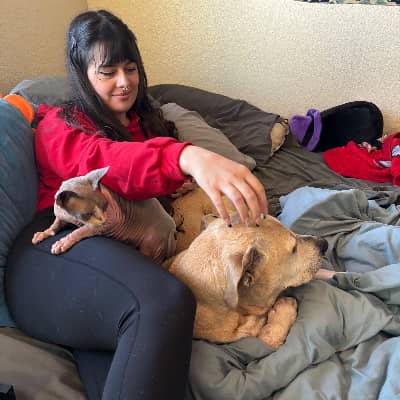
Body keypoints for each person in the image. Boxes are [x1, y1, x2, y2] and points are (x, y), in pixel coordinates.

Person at [6, 9, 268, 400]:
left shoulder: (145, 123)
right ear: (82, 74)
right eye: (108, 72)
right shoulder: (59, 125)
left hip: (114, 264)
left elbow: (148, 188)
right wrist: (188, 157)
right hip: (53, 251)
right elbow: (108, 164)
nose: (124, 82)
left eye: (130, 69)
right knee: (167, 301)